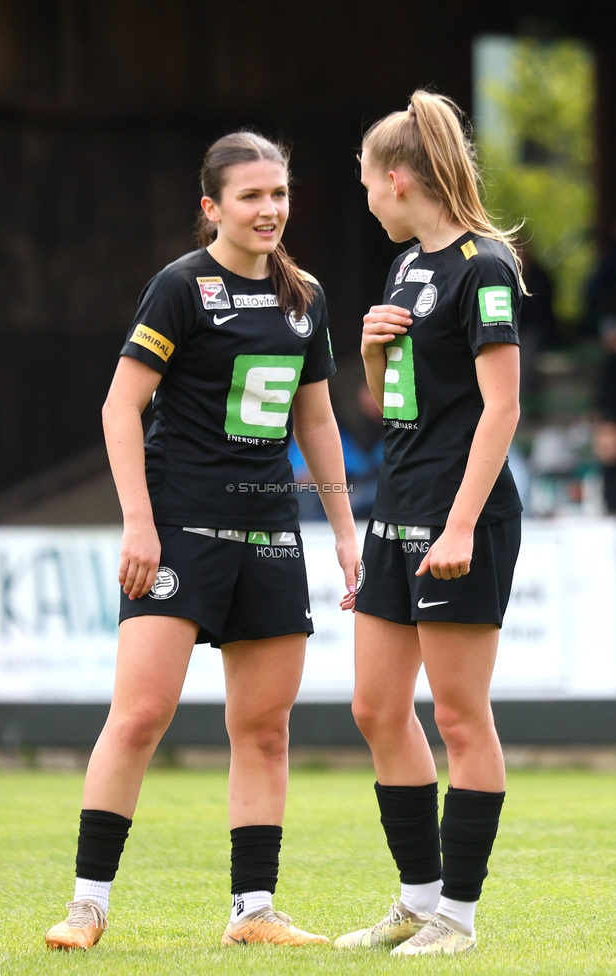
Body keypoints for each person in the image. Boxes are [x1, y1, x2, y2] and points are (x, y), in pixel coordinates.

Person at [45, 131, 358, 951]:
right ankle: (87, 906)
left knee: (264, 729)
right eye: (251, 196)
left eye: (280, 194)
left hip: (270, 535)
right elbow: (121, 408)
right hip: (179, 530)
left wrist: (345, 531)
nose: (270, 210)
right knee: (141, 714)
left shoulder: (307, 296)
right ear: (211, 207)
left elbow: (316, 420)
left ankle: (252, 911)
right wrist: (139, 521)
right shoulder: (179, 288)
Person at [334, 91, 523, 957]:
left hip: (460, 521)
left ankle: (460, 920)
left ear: (398, 178)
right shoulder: (406, 266)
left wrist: (459, 526)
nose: (365, 197)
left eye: (367, 182)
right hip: (397, 514)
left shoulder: (484, 268)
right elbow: (399, 410)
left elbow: (500, 410)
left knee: (458, 716)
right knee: (375, 707)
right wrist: (373, 357)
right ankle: (418, 900)